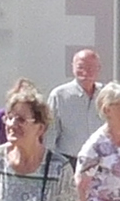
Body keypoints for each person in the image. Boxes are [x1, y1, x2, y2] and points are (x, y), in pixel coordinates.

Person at [43, 50, 106, 183]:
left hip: (102, 162)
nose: (85, 71)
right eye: (80, 67)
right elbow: (50, 132)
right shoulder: (60, 95)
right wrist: (47, 163)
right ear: (72, 67)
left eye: (90, 67)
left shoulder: (106, 94)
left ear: (99, 69)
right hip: (70, 162)